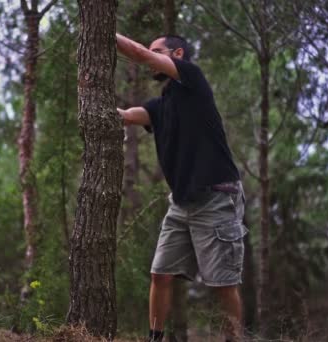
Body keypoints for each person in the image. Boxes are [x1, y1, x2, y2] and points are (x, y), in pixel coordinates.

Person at [116, 33, 248, 342]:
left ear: (176, 54)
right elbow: (128, 116)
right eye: (152, 51)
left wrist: (103, 29)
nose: (151, 56)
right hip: (181, 203)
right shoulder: (162, 105)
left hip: (217, 196)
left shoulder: (192, 79)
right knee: (160, 274)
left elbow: (139, 54)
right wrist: (102, 113)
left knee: (221, 283)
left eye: (157, 51)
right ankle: (155, 339)